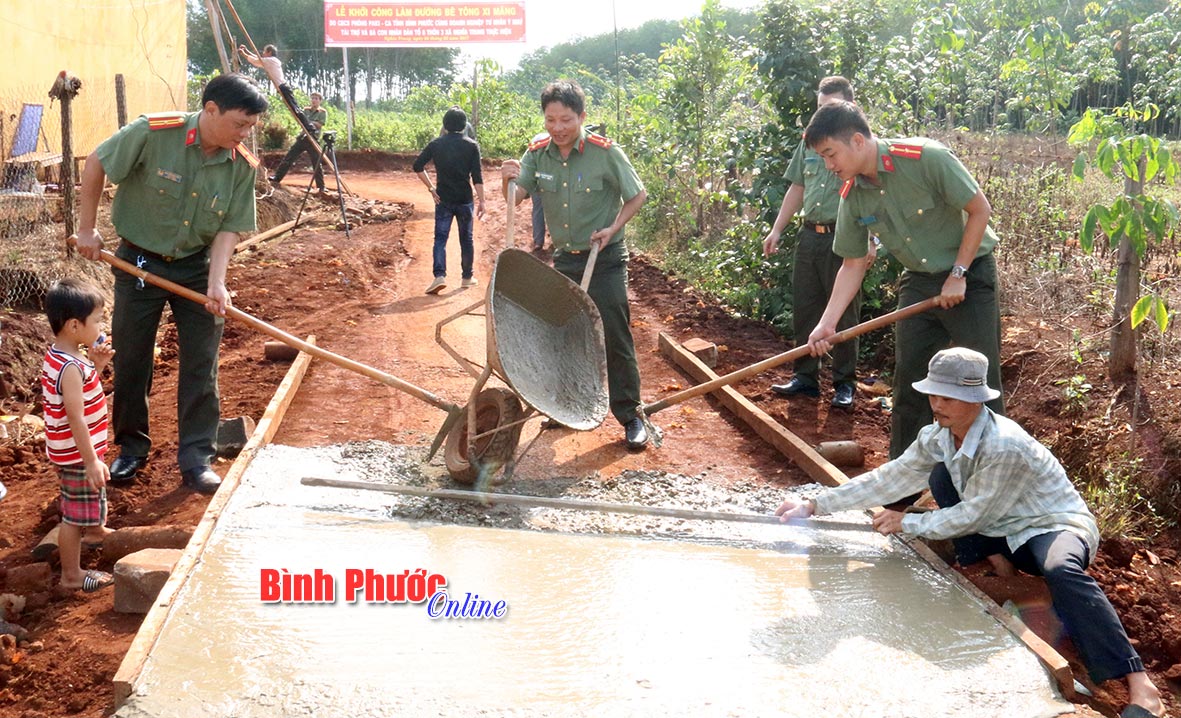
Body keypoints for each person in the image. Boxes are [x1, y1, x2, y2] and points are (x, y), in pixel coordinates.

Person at [775, 348, 1166, 718]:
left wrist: (907, 522)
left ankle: (1140, 683)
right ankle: (997, 567)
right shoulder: (940, 434)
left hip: (1049, 526)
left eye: (948, 397)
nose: (938, 405)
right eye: (934, 395)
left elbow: (973, 516)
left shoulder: (1003, 445)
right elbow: (892, 476)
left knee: (1061, 569)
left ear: (977, 399)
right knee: (942, 471)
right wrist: (815, 505)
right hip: (998, 528)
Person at [74, 73, 268, 494]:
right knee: (132, 357)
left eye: (250, 126)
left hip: (196, 267)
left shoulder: (240, 165)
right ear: (210, 109)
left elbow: (228, 229)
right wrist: (86, 229)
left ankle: (197, 458)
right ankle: (131, 449)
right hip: (138, 262)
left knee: (202, 361)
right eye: (239, 123)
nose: (244, 134)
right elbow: (97, 163)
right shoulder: (153, 132)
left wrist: (217, 283)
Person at [802, 101, 1004, 458]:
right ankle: (901, 490)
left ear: (859, 141)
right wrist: (827, 324)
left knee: (979, 385)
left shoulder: (926, 158)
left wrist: (958, 274)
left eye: (831, 154)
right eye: (823, 158)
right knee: (911, 384)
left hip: (969, 276)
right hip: (919, 281)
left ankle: (992, 480)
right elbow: (852, 263)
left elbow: (979, 209)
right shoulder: (852, 195)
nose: (829, 166)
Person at [500, 80, 653, 450]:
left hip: (605, 259)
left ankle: (631, 414)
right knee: (561, 334)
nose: (557, 128)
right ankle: (563, 406)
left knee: (614, 334)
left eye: (565, 119)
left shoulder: (606, 152)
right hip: (564, 260)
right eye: (550, 120)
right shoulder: (538, 154)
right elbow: (517, 196)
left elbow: (638, 195)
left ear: (582, 117)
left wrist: (613, 227)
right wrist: (507, 180)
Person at [762, 76, 869, 410]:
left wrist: (872, 239)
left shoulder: (858, 145)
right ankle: (806, 378)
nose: (823, 116)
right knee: (806, 307)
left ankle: (844, 383)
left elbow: (875, 196)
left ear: (851, 107)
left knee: (845, 313)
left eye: (831, 107)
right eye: (820, 108)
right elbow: (797, 187)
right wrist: (777, 229)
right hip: (810, 235)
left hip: (845, 238)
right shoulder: (808, 143)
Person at [41, 278, 116, 593]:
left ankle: (96, 528)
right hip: (77, 454)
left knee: (85, 497)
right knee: (73, 515)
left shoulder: (66, 356)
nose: (101, 325)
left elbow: (81, 395)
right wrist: (90, 461)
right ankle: (71, 575)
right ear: (74, 325)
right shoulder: (69, 367)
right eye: (97, 319)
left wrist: (96, 366)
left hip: (73, 451)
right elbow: (75, 416)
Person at [413, 106, 486, 294]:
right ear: (464, 125)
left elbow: (417, 165)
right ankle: (467, 278)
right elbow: (477, 177)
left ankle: (439, 276)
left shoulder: (436, 144)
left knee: (440, 238)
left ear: (444, 125)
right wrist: (482, 201)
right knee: (466, 239)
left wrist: (431, 188)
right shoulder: (471, 146)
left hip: (443, 198)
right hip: (464, 199)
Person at [238, 44, 313, 136]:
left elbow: (256, 61)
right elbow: (258, 59)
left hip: (283, 87)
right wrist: (247, 51)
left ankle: (308, 126)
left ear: (269, 52)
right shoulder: (270, 61)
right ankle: (308, 126)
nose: (263, 53)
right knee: (294, 108)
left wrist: (243, 54)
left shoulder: (271, 61)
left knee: (295, 108)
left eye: (265, 52)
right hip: (283, 87)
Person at [270, 91, 328, 190]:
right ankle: (277, 178)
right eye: (312, 98)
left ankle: (321, 187)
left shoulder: (322, 112)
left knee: (317, 163)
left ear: (320, 101)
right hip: (303, 138)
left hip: (313, 139)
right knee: (289, 158)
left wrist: (308, 122)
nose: (314, 100)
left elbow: (319, 125)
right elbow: (301, 121)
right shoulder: (305, 110)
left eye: (316, 99)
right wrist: (308, 122)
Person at [527, 131, 549, 251]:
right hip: (543, 179)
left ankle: (538, 241)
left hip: (538, 178)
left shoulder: (536, 142)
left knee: (538, 208)